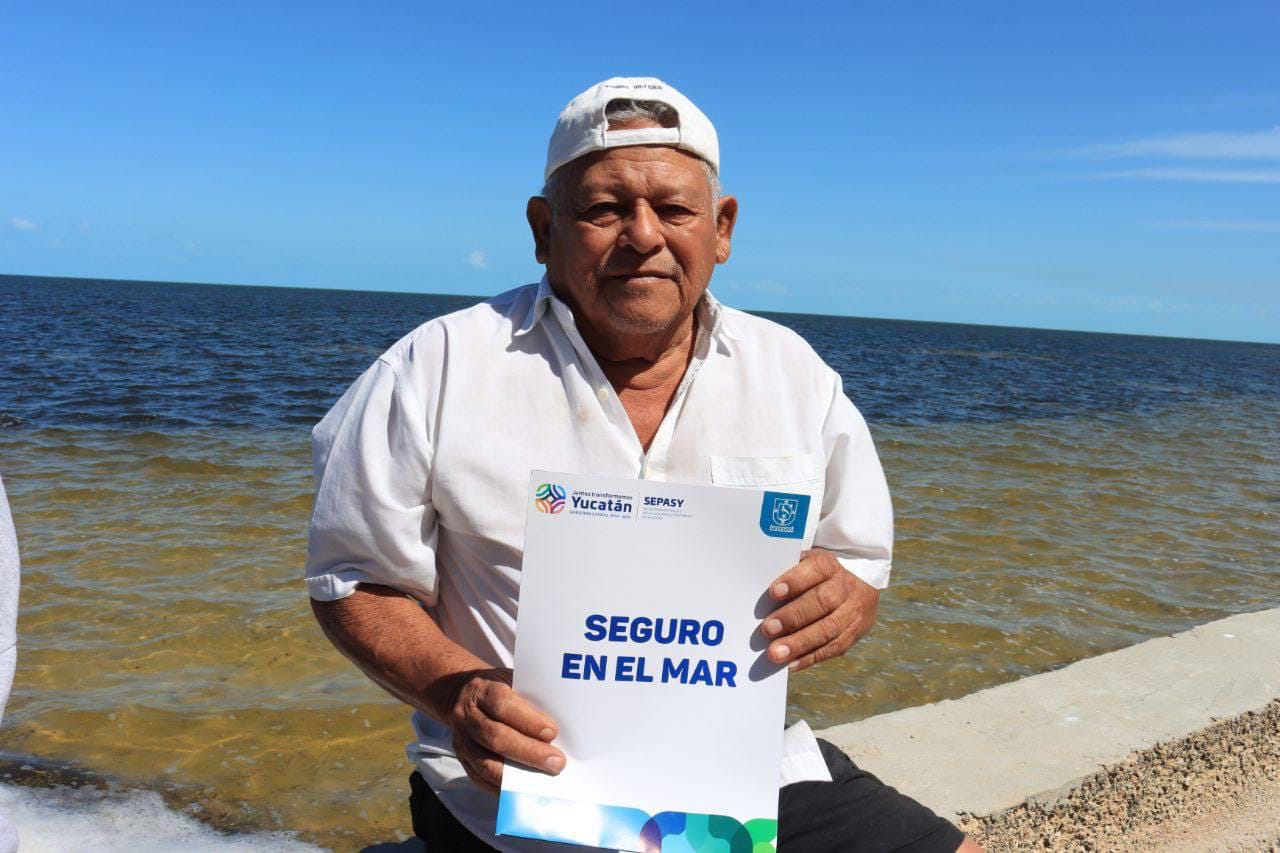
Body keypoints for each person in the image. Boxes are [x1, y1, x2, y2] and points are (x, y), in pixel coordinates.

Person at [306, 77, 980, 852]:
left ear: (721, 228)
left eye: (675, 209)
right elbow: (352, 578)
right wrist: (459, 694)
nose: (643, 235)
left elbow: (857, 557)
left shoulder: (794, 375)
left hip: (743, 780)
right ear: (542, 227)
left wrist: (842, 598)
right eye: (603, 209)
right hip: (516, 788)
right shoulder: (436, 366)